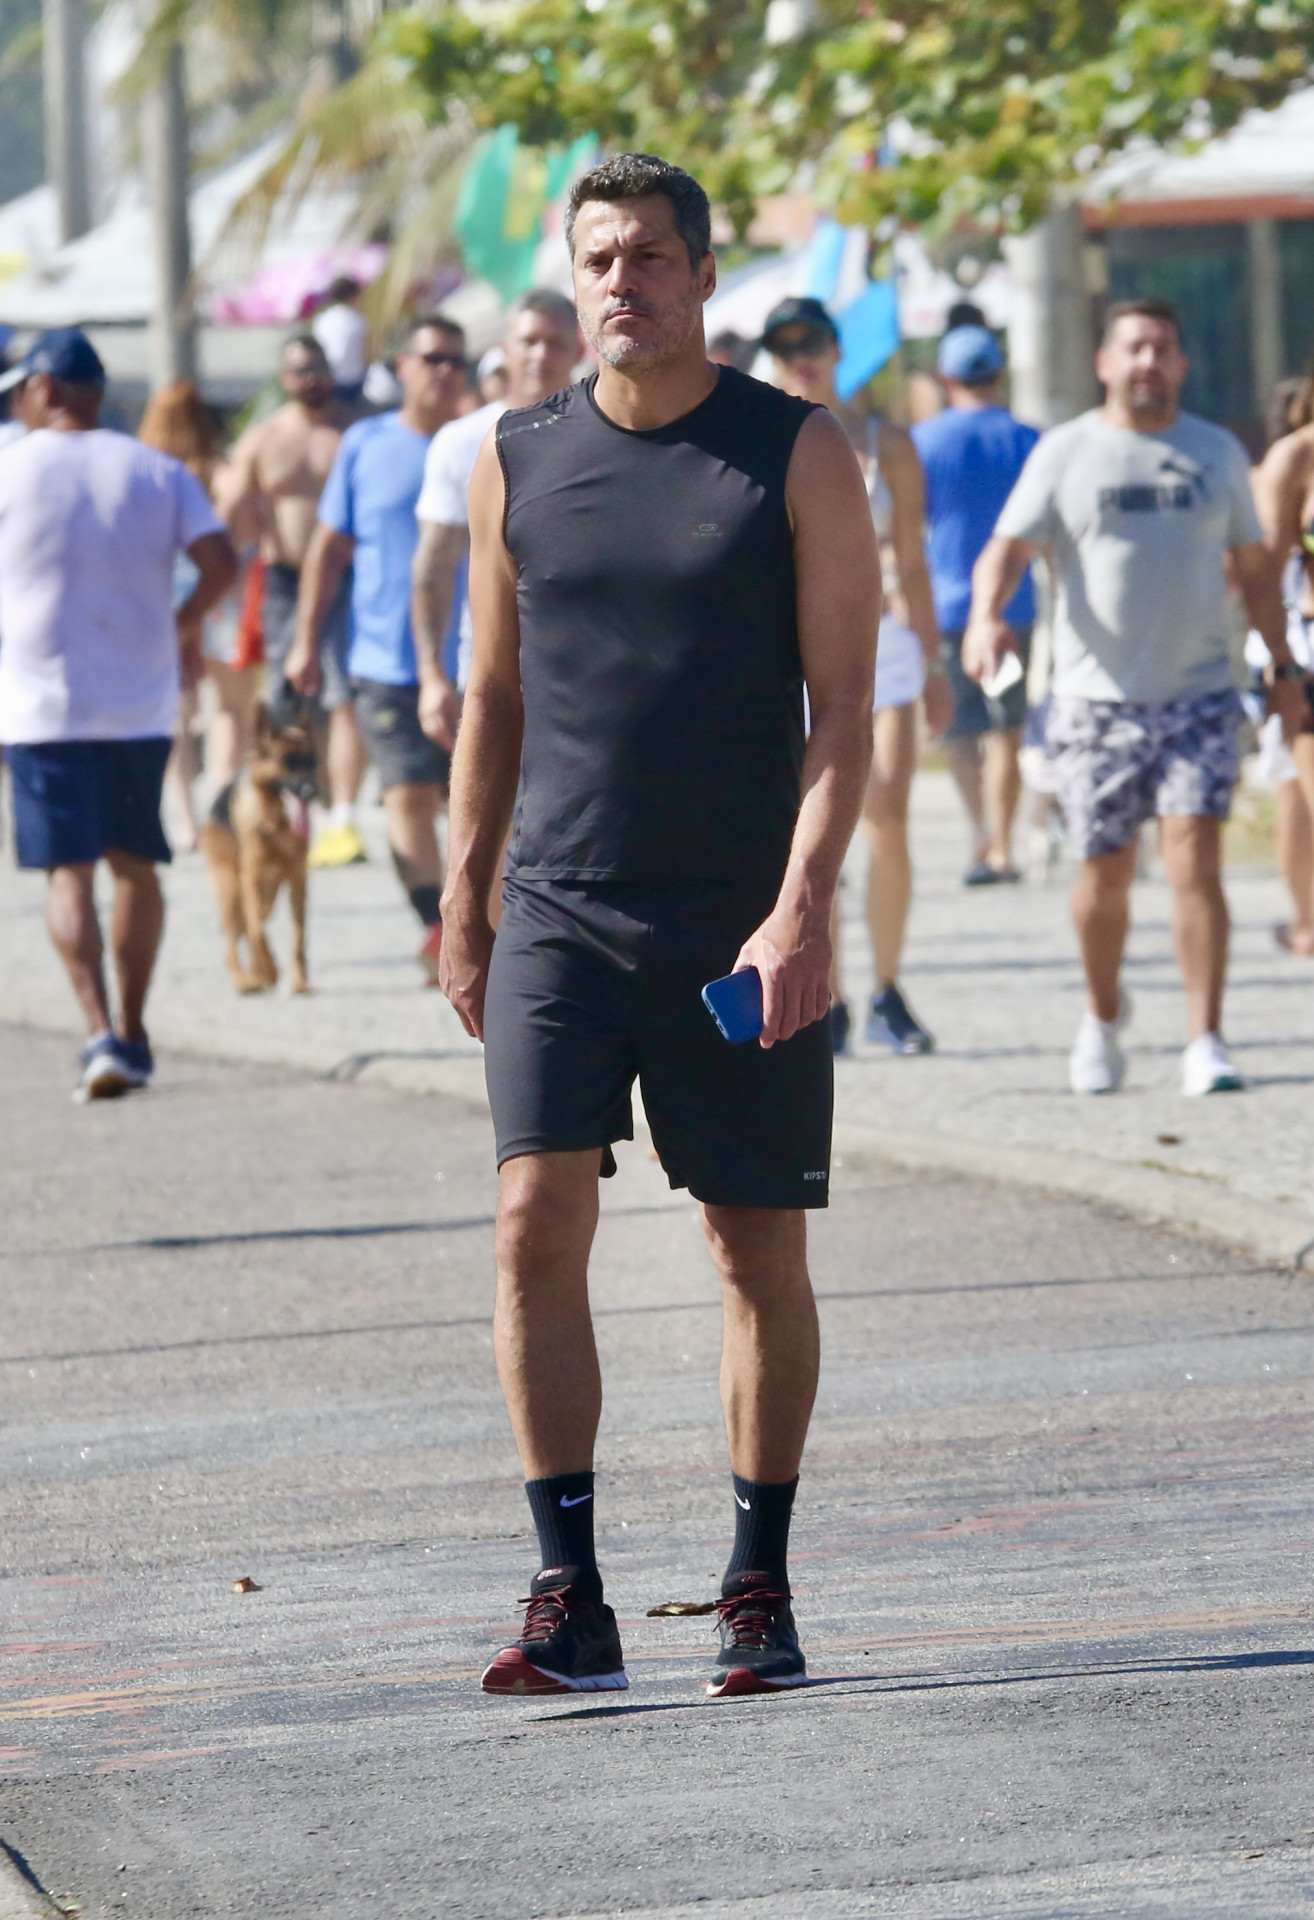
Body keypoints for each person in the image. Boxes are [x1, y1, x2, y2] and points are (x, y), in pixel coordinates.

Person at [439, 153, 878, 1698]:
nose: (621, 282)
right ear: (574, 281)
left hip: (735, 918)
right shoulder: (512, 453)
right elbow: (491, 694)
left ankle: (756, 1585)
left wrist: (801, 912)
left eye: (648, 257)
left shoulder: (794, 452)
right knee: (527, 1216)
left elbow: (843, 718)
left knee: (749, 1244)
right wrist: (461, 892)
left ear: (701, 276)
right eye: (597, 258)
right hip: (557, 901)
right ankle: (570, 1595)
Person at [964, 298, 1302, 1097]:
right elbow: (1006, 550)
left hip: (1199, 696)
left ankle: (1205, 1038)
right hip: (1093, 703)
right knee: (1104, 876)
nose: (1150, 361)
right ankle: (1104, 1014)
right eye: (1135, 347)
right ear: (1105, 363)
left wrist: (1282, 670)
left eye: (1164, 348)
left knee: (1195, 858)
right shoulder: (1066, 452)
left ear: (1181, 364)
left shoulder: (1215, 452)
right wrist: (986, 621)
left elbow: (1256, 574)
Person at [0, 330, 237, 1099]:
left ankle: (99, 1030)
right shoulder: (157, 471)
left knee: (68, 874)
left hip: (39, 708)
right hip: (138, 699)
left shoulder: (9, 467)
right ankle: (134, 1033)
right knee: (136, 864)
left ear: (45, 390)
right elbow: (220, 563)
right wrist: (184, 621)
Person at [761, 294, 950, 1056]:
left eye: (813, 343)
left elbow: (912, 559)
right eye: (785, 346)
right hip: (788, 649)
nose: (801, 356)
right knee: (802, 830)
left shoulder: (885, 441)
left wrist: (936, 663)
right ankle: (821, 990)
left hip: (888, 644)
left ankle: (889, 989)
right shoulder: (757, 435)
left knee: (888, 820)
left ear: (840, 351)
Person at [286, 314, 468, 981]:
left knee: (476, 803)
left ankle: (475, 916)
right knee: (405, 797)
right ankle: (436, 921)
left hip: (473, 662)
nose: (445, 370)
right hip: (382, 660)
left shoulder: (483, 440)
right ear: (400, 366)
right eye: (432, 357)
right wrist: (304, 640)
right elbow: (329, 550)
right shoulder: (365, 443)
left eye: (456, 359)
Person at [217, 335, 367, 869]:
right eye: (300, 369)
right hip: (282, 579)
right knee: (283, 694)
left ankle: (341, 815)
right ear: (284, 378)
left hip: (347, 580)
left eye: (318, 367)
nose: (311, 378)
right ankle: (286, 801)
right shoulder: (263, 438)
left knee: (344, 695)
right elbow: (230, 511)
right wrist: (222, 578)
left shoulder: (352, 431)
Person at [412, 290, 581, 726]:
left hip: (587, 681)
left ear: (579, 349)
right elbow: (435, 565)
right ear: (505, 347)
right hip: (494, 679)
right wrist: (432, 676)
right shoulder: (463, 441)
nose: (541, 354)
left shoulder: (608, 436)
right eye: (529, 340)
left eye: (556, 342)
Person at [913, 324, 1040, 884]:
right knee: (1007, 727)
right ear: (998, 373)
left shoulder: (923, 442)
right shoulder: (1030, 440)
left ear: (947, 377)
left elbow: (910, 524)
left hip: (948, 607)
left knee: (962, 729)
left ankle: (978, 838)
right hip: (1016, 604)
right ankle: (1007, 847)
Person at [138, 381, 231, 853]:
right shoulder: (216, 471)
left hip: (167, 603)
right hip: (219, 596)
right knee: (226, 709)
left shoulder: (148, 473)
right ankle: (219, 804)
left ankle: (184, 819)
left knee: (180, 713)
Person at [1250, 364, 1314, 957]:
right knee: (1294, 788)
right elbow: (1265, 570)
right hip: (1308, 649)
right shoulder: (1295, 459)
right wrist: (1280, 660)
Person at [312, 276, 370, 407]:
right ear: (354, 296)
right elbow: (365, 354)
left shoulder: (322, 319)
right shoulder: (358, 320)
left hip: (327, 378)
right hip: (352, 381)